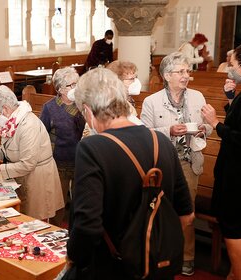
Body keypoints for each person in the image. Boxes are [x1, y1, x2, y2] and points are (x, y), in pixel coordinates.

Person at [63, 67, 193, 279]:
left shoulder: (92, 147)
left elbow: (87, 226)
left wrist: (74, 257)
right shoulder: (161, 142)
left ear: (88, 110)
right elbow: (187, 216)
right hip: (156, 266)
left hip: (112, 268)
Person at [140, 52, 213, 276]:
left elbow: (207, 127)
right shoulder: (151, 102)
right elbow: (144, 134)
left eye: (187, 71)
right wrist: (168, 131)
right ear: (167, 75)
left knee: (186, 213)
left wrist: (204, 129)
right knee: (160, 212)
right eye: (181, 72)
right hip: (163, 165)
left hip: (189, 162)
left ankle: (187, 256)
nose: (186, 76)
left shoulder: (198, 96)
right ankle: (163, 254)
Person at [0, 85, 64, 221]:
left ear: (5, 109)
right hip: (22, 175)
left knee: (35, 221)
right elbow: (10, 149)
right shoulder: (11, 122)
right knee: (23, 217)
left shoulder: (28, 124)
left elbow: (28, 163)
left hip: (37, 179)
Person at [201, 45, 241, 280]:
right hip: (233, 171)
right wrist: (231, 99)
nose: (229, 68)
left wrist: (215, 124)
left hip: (237, 175)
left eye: (233, 64)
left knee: (233, 227)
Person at [39, 67, 85, 224]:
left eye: (77, 83)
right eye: (71, 85)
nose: (76, 88)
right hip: (59, 162)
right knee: (58, 204)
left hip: (81, 161)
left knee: (80, 203)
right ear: (60, 89)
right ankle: (56, 232)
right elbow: (42, 134)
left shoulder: (84, 105)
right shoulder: (49, 108)